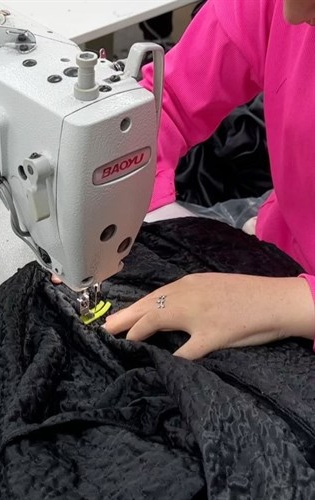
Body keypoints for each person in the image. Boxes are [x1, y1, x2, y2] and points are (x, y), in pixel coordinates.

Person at [102, 0, 315, 359]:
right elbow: (168, 101)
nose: (290, 16)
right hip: (281, 254)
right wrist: (109, 201)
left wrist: (286, 304)